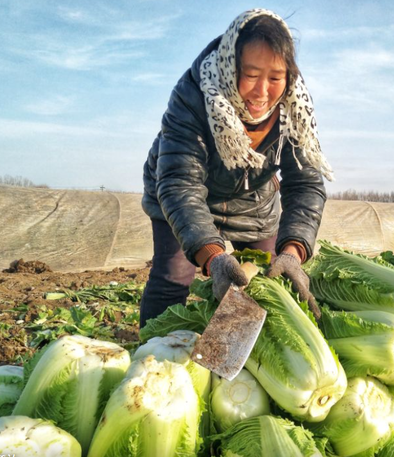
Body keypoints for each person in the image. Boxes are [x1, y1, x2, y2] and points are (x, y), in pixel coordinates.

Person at [139, 8, 334, 328]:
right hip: (180, 191)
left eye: (274, 78)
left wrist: (294, 250)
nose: (262, 91)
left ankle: (233, 359)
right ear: (231, 66)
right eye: (252, 74)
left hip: (253, 199)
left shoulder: (293, 108)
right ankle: (152, 354)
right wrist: (212, 257)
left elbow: (305, 182)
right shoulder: (194, 95)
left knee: (262, 280)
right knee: (173, 276)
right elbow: (180, 183)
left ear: (288, 75)